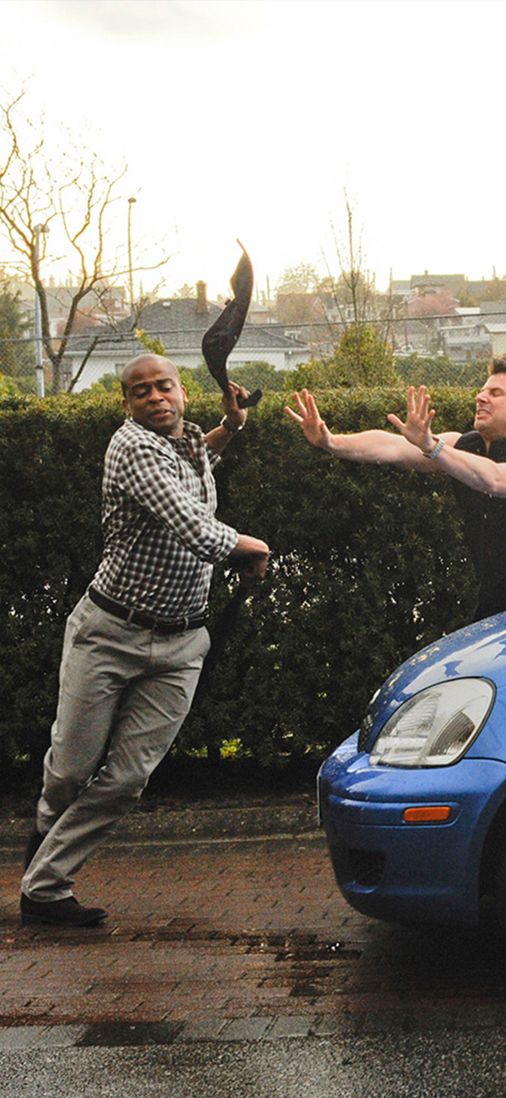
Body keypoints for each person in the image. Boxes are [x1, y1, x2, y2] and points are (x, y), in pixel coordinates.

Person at [21, 354, 269, 927]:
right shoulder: (131, 447)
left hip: (181, 645)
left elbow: (192, 466)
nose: (155, 398)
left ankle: (46, 888)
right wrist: (247, 546)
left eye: (164, 387)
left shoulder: (185, 444)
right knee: (70, 771)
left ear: (182, 393)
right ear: (127, 404)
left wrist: (230, 428)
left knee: (128, 779)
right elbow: (187, 519)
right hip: (109, 633)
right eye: (141, 392)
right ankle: (45, 838)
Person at [285, 356, 506, 621]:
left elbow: (496, 479)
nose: (481, 397)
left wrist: (432, 446)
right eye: (481, 390)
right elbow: (391, 446)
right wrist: (331, 442)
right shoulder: (466, 446)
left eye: (495, 393)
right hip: (496, 613)